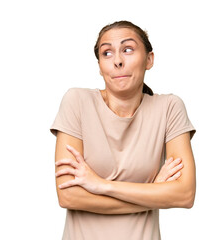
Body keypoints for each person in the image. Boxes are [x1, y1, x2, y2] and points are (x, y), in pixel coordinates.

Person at [49, 20, 196, 240]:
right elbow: (69, 196)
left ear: (149, 59)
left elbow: (184, 194)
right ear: (99, 65)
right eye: (107, 53)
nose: (117, 61)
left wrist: (101, 185)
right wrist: (153, 191)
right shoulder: (77, 102)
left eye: (128, 50)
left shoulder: (169, 108)